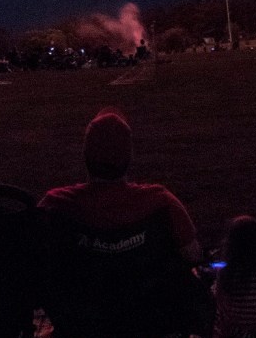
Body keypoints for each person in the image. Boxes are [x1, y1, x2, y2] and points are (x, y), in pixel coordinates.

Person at [39, 107, 201, 263]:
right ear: (128, 157)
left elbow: (25, 249)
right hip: (145, 289)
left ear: (86, 156)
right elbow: (193, 255)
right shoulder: (161, 202)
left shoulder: (55, 204)